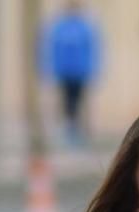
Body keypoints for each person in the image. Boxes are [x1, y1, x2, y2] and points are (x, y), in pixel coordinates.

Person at [42, 0, 102, 147]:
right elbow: (52, 50)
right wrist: (50, 69)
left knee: (79, 102)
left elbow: (92, 49)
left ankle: (81, 132)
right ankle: (69, 132)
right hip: (65, 72)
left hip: (80, 72)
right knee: (67, 103)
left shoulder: (85, 27)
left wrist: (93, 69)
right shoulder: (59, 27)